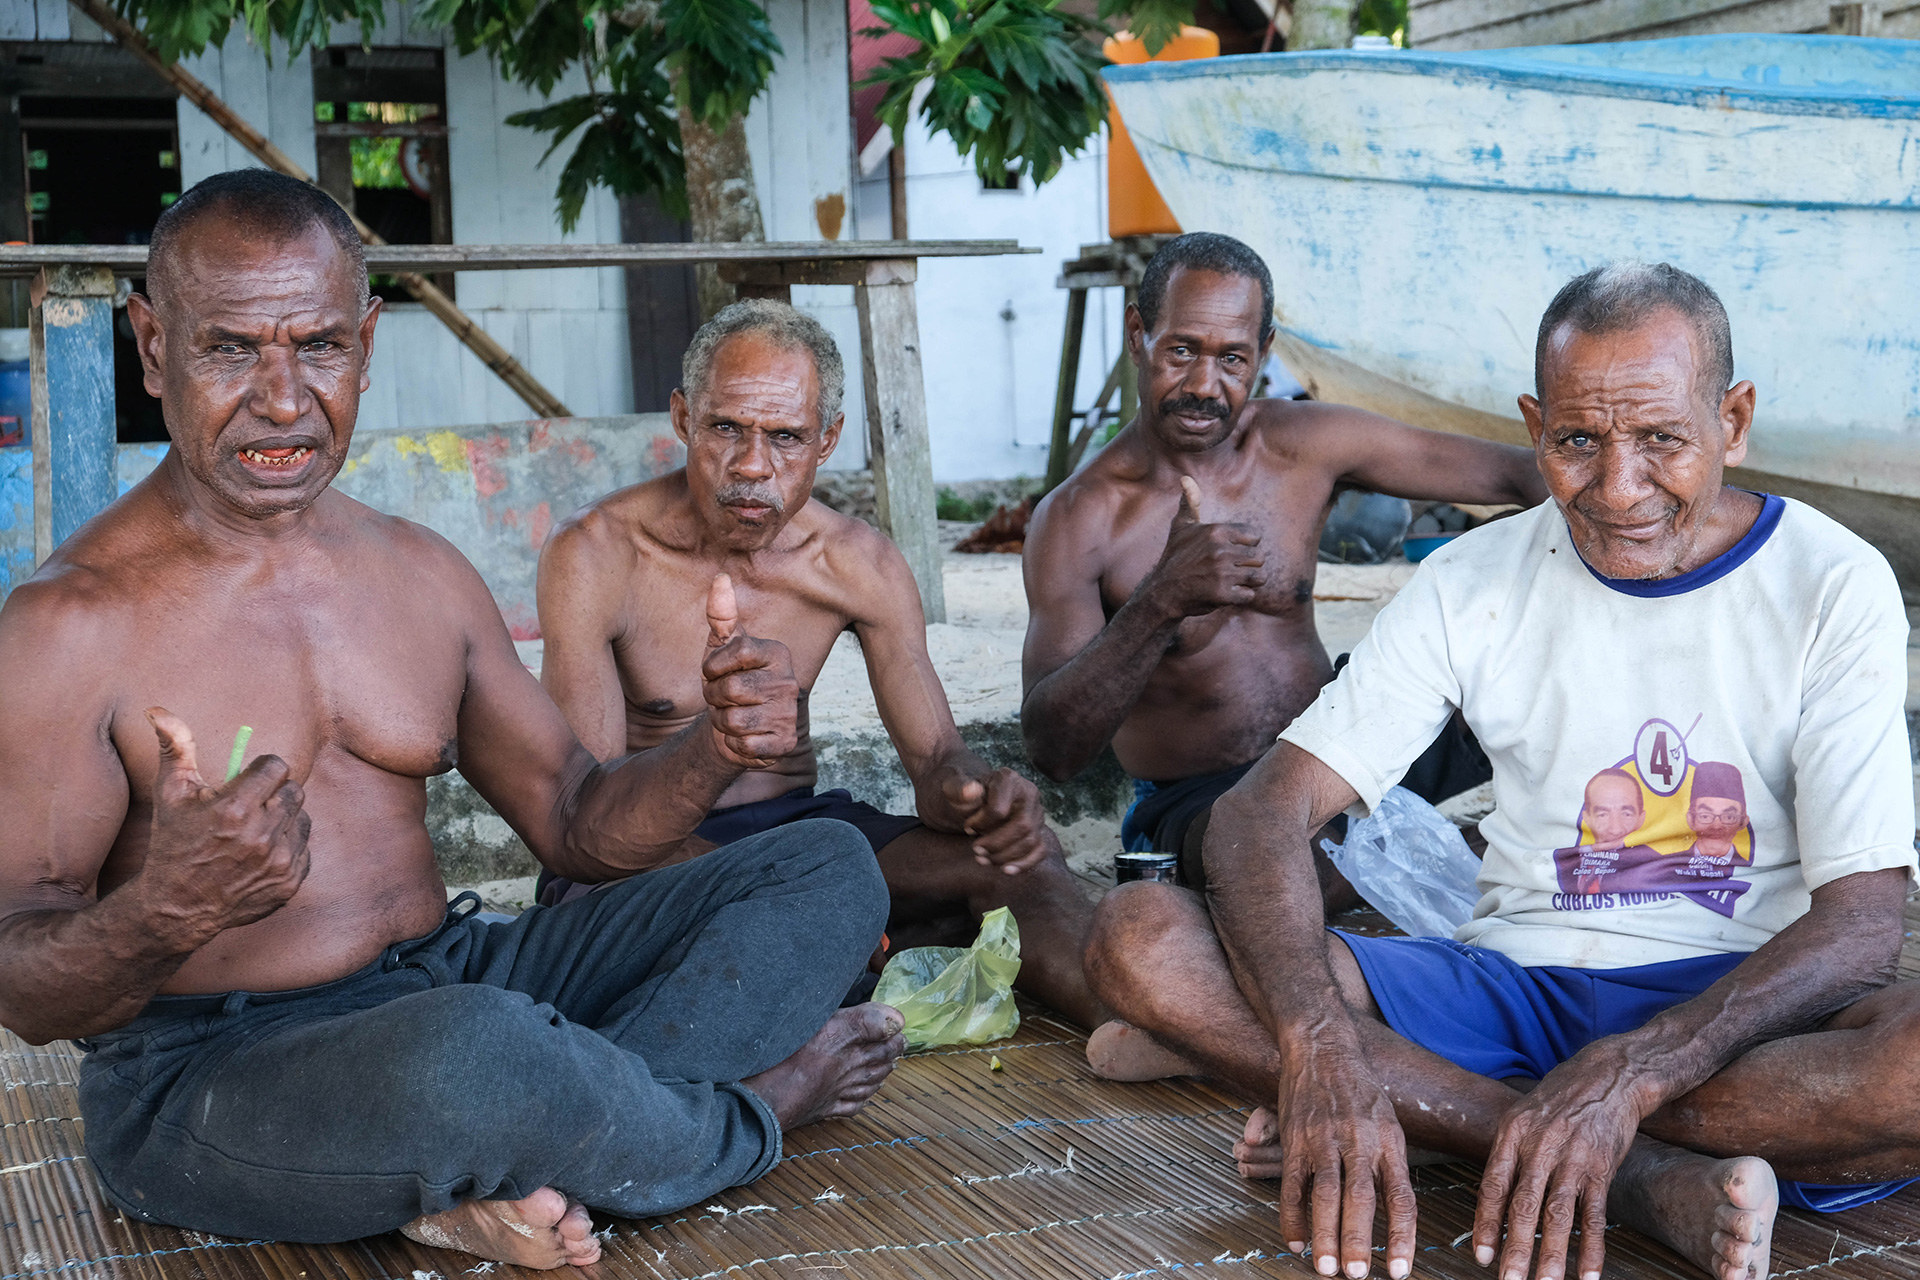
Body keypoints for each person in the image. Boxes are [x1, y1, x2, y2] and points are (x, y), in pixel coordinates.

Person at [0, 170, 907, 1272]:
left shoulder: (418, 574)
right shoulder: (67, 623)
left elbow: (575, 819)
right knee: (481, 1055)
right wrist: (162, 910)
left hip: (451, 977)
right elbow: (20, 984)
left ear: (368, 341)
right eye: (231, 348)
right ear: (152, 344)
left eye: (321, 348)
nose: (285, 400)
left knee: (827, 868)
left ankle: (521, 1153)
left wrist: (715, 746)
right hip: (211, 1066)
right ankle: (743, 1117)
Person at [1081, 262, 1919, 1280]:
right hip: (1509, 987)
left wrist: (1639, 1066)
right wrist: (1318, 1044)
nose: (1618, 488)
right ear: (1535, 427)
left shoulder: (1831, 583)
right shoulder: (1470, 580)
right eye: (1577, 440)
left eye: (1662, 438)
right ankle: (1631, 1174)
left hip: (1736, 1007)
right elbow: (1260, 814)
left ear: (1732, 422)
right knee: (1140, 935)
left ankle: (1452, 1112)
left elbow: (1868, 921)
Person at [535, 299, 1104, 1029]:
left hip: (799, 835)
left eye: (786, 437)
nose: (751, 465)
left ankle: (1129, 1016)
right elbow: (589, 814)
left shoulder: (856, 563)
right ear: (682, 418)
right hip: (639, 861)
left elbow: (935, 761)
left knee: (1019, 864)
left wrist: (976, 795)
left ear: (828, 439)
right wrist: (793, 899)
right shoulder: (596, 555)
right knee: (670, 932)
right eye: (725, 429)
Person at [1021, 231, 1549, 898]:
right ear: (1137, 336)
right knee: (1279, 862)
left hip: (1346, 750)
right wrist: (1160, 602)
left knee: (1531, 668)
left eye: (1233, 359)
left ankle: (1503, 854)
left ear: (1264, 353)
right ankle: (1470, 859)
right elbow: (1053, 749)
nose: (1205, 385)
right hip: (1206, 802)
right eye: (1181, 351)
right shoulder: (1078, 519)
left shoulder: (1302, 445)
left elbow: (1519, 475)